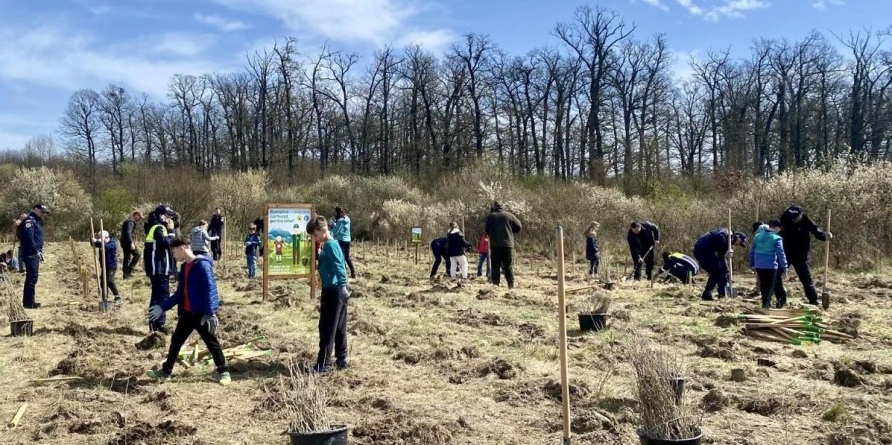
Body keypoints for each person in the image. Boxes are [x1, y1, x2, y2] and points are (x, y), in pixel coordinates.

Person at [146, 238, 230, 385]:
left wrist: (210, 313)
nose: (173, 256)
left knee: (211, 342)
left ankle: (223, 371)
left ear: (182, 248)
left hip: (201, 314)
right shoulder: (185, 267)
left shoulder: (202, 265)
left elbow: (210, 289)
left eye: (173, 252)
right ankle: (166, 372)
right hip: (187, 313)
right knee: (176, 340)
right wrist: (162, 307)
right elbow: (180, 294)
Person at [305, 216, 350, 373]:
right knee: (339, 327)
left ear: (323, 231)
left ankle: (323, 363)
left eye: (315, 235)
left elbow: (340, 266)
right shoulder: (329, 245)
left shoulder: (330, 245)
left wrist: (343, 286)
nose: (314, 238)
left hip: (334, 291)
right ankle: (341, 359)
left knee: (327, 328)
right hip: (335, 290)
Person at [779, 205, 832, 306]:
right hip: (786, 253)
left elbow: (817, 232)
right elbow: (776, 230)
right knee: (777, 276)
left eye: (795, 217)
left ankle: (813, 300)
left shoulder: (807, 221)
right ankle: (781, 298)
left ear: (801, 215)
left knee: (806, 279)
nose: (793, 220)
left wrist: (824, 236)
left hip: (801, 255)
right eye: (791, 218)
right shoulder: (785, 218)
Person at [144, 205, 178, 333]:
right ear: (161, 216)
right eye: (167, 215)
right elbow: (167, 243)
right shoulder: (158, 228)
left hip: (159, 268)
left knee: (157, 295)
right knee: (162, 296)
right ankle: (158, 324)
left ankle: (155, 324)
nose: (170, 218)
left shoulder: (158, 227)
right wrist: (171, 231)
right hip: (158, 268)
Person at [694, 228, 747, 301]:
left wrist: (727, 271)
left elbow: (722, 256)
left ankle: (709, 295)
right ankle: (721, 294)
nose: (738, 245)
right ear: (738, 237)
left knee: (719, 272)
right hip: (703, 250)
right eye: (740, 242)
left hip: (706, 251)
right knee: (718, 272)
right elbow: (720, 236)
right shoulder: (728, 232)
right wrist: (727, 247)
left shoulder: (728, 240)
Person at [750, 220, 789, 309]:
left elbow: (752, 251)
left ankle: (765, 302)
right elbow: (781, 254)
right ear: (776, 227)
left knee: (764, 285)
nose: (780, 230)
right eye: (779, 228)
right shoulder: (776, 238)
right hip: (770, 265)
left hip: (759, 265)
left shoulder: (757, 236)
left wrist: (752, 263)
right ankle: (766, 304)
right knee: (771, 286)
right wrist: (785, 266)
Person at [484, 202, 523, 289]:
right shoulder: (509, 215)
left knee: (495, 266)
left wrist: (492, 233)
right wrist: (511, 231)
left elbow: (486, 230)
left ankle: (495, 284)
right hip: (508, 245)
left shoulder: (491, 217)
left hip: (495, 245)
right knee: (508, 266)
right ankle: (511, 284)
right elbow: (519, 226)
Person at [17, 204, 48, 309]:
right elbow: (29, 238)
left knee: (33, 277)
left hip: (33, 252)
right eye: (42, 211)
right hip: (30, 253)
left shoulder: (35, 221)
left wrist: (39, 251)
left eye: (44, 212)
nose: (43, 214)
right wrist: (36, 251)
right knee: (31, 277)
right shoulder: (29, 221)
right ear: (35, 209)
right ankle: (28, 303)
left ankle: (30, 301)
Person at [92, 230, 122, 305]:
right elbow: (93, 244)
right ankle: (105, 299)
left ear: (106, 237)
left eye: (101, 239)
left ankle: (118, 297)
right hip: (104, 267)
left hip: (111, 266)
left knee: (109, 281)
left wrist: (98, 242)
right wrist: (91, 238)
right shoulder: (102, 243)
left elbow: (106, 247)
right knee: (103, 283)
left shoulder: (112, 243)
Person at [332, 207, 356, 279]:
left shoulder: (340, 221)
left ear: (337, 212)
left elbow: (336, 231)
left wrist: (332, 227)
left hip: (341, 240)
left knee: (341, 257)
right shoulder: (347, 219)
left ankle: (343, 273)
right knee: (347, 257)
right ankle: (353, 272)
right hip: (348, 240)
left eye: (335, 212)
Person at [120, 211, 144, 279]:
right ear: (136, 215)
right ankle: (129, 270)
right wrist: (131, 242)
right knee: (137, 254)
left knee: (127, 257)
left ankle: (125, 274)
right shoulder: (131, 222)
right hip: (127, 242)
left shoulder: (128, 221)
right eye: (139, 217)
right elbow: (128, 232)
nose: (140, 219)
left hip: (124, 241)